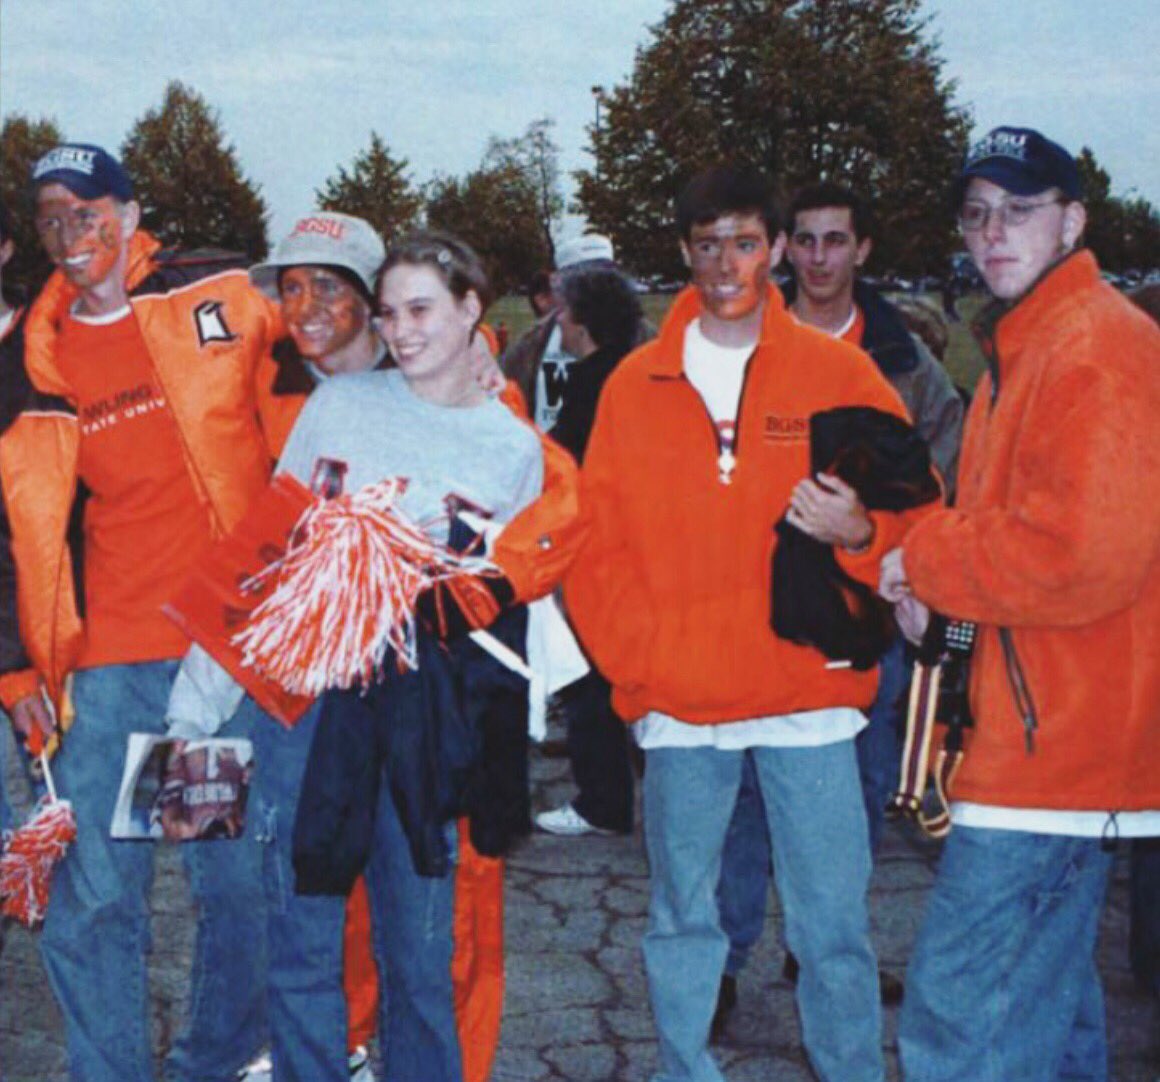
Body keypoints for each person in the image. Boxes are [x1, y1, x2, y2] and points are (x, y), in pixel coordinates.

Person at [565, 164, 928, 1082]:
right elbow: (594, 546)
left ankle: (847, 1069)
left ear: (772, 249)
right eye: (706, 243)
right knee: (683, 920)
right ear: (683, 251)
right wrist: (636, 670)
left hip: (808, 700)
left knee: (833, 928)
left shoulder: (836, 370)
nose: (725, 262)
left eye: (744, 241)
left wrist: (861, 534)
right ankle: (685, 1068)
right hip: (682, 704)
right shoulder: (635, 382)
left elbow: (917, 511)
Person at [198, 229, 579, 1082]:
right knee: (301, 936)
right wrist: (201, 686)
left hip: (418, 716)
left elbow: (524, 574)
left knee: (420, 947)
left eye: (421, 310)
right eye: (390, 312)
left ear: (472, 312)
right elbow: (269, 545)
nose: (403, 330)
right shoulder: (336, 406)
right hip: (306, 704)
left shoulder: (514, 444)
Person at [879, 126, 1160, 1081]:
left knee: (962, 1026)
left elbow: (1077, 557)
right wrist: (941, 593)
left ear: (1074, 222)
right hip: (1046, 739)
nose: (993, 232)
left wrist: (926, 557)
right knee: (1051, 1018)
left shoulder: (1093, 351)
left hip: (1056, 756)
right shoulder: (1032, 343)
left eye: (1021, 210)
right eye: (977, 213)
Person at [7, 142, 280, 1082]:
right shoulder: (29, 361)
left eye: (86, 212)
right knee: (96, 903)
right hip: (102, 665)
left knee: (231, 888)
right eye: (50, 217)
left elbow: (320, 382)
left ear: (127, 214)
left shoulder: (215, 304)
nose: (69, 234)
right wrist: (15, 670)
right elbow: (9, 533)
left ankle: (213, 1059)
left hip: (209, 653)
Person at [712, 181, 965, 1026]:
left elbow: (945, 486)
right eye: (806, 241)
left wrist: (884, 552)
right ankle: (721, 960)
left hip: (864, 623)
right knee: (743, 800)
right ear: (785, 249)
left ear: (862, 251)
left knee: (852, 798)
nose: (819, 257)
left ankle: (826, 952)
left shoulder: (904, 362)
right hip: (758, 615)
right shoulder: (742, 341)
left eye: (836, 241)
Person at [532, 262, 643, 837]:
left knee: (587, 679)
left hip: (598, 555)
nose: (560, 324)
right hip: (636, 548)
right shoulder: (636, 372)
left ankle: (603, 800)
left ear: (585, 321)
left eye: (566, 313)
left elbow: (560, 460)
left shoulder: (593, 382)